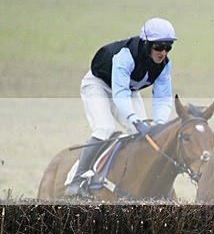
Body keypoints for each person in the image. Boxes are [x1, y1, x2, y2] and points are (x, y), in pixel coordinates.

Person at [64, 17, 177, 198]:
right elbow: (119, 94)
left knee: (141, 135)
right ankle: (76, 180)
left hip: (127, 90)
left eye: (168, 47)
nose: (163, 52)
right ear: (146, 44)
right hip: (98, 86)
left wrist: (160, 124)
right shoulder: (126, 55)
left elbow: (163, 98)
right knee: (104, 128)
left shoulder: (164, 65)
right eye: (158, 47)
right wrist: (135, 119)